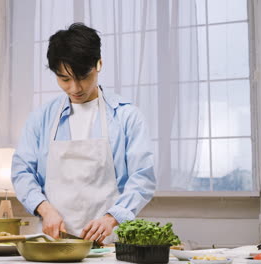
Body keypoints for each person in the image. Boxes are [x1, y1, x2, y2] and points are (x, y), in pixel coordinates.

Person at [11, 23, 155, 244]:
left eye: (83, 77)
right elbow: (23, 172)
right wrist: (45, 209)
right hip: (53, 242)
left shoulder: (127, 116)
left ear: (99, 64)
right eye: (65, 79)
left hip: (109, 242)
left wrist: (111, 218)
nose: (75, 88)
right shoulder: (41, 119)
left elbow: (142, 178)